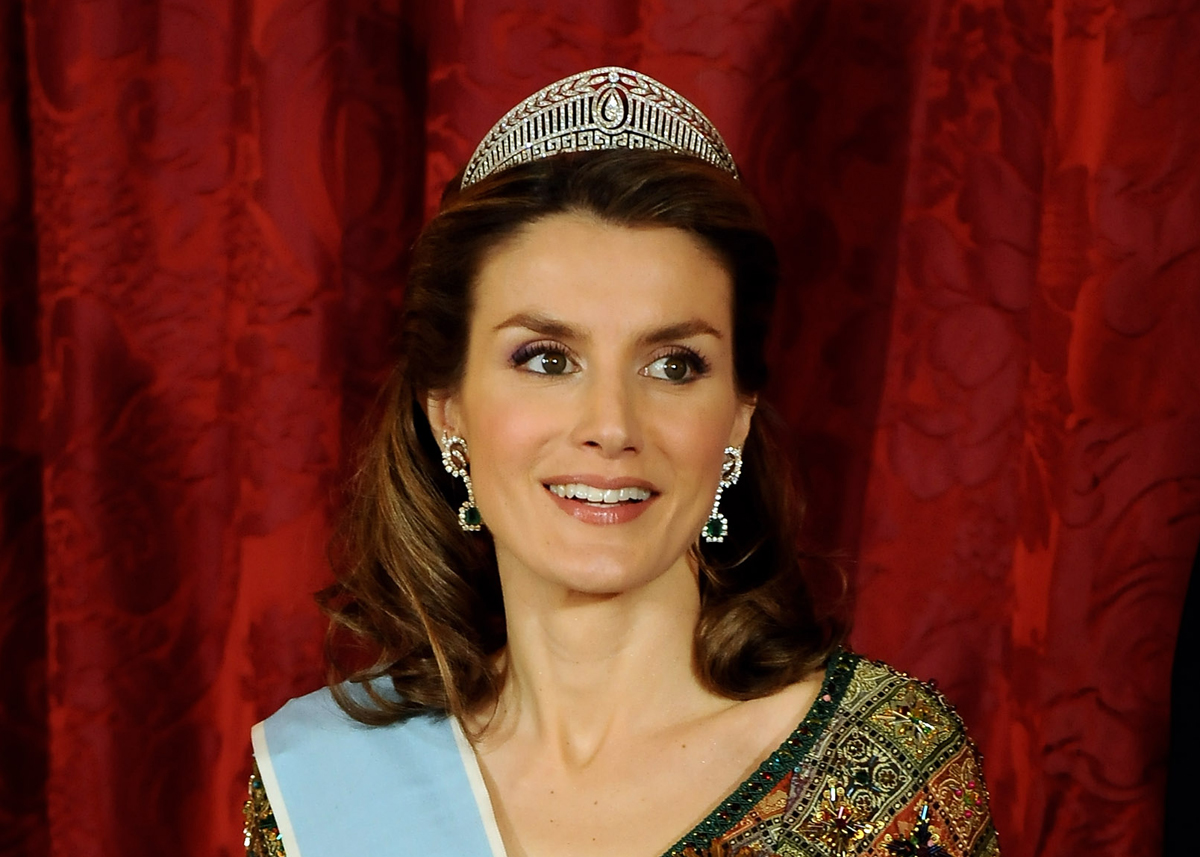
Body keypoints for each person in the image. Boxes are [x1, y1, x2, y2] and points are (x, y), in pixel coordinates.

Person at [243, 67, 1000, 857]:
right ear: (448, 412)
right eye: (545, 358)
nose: (611, 425)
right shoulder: (322, 786)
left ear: (738, 416)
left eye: (673, 364)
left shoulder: (878, 779)